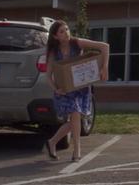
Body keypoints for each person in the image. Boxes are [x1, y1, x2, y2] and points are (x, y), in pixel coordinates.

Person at [44, 20, 109, 161]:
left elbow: (105, 47)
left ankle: (53, 141)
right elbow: (48, 76)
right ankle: (77, 150)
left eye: (67, 29)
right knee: (75, 114)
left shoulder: (77, 43)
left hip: (81, 88)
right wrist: (56, 89)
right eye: (62, 31)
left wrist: (104, 67)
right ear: (55, 36)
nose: (66, 33)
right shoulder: (53, 52)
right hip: (64, 90)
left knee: (75, 119)